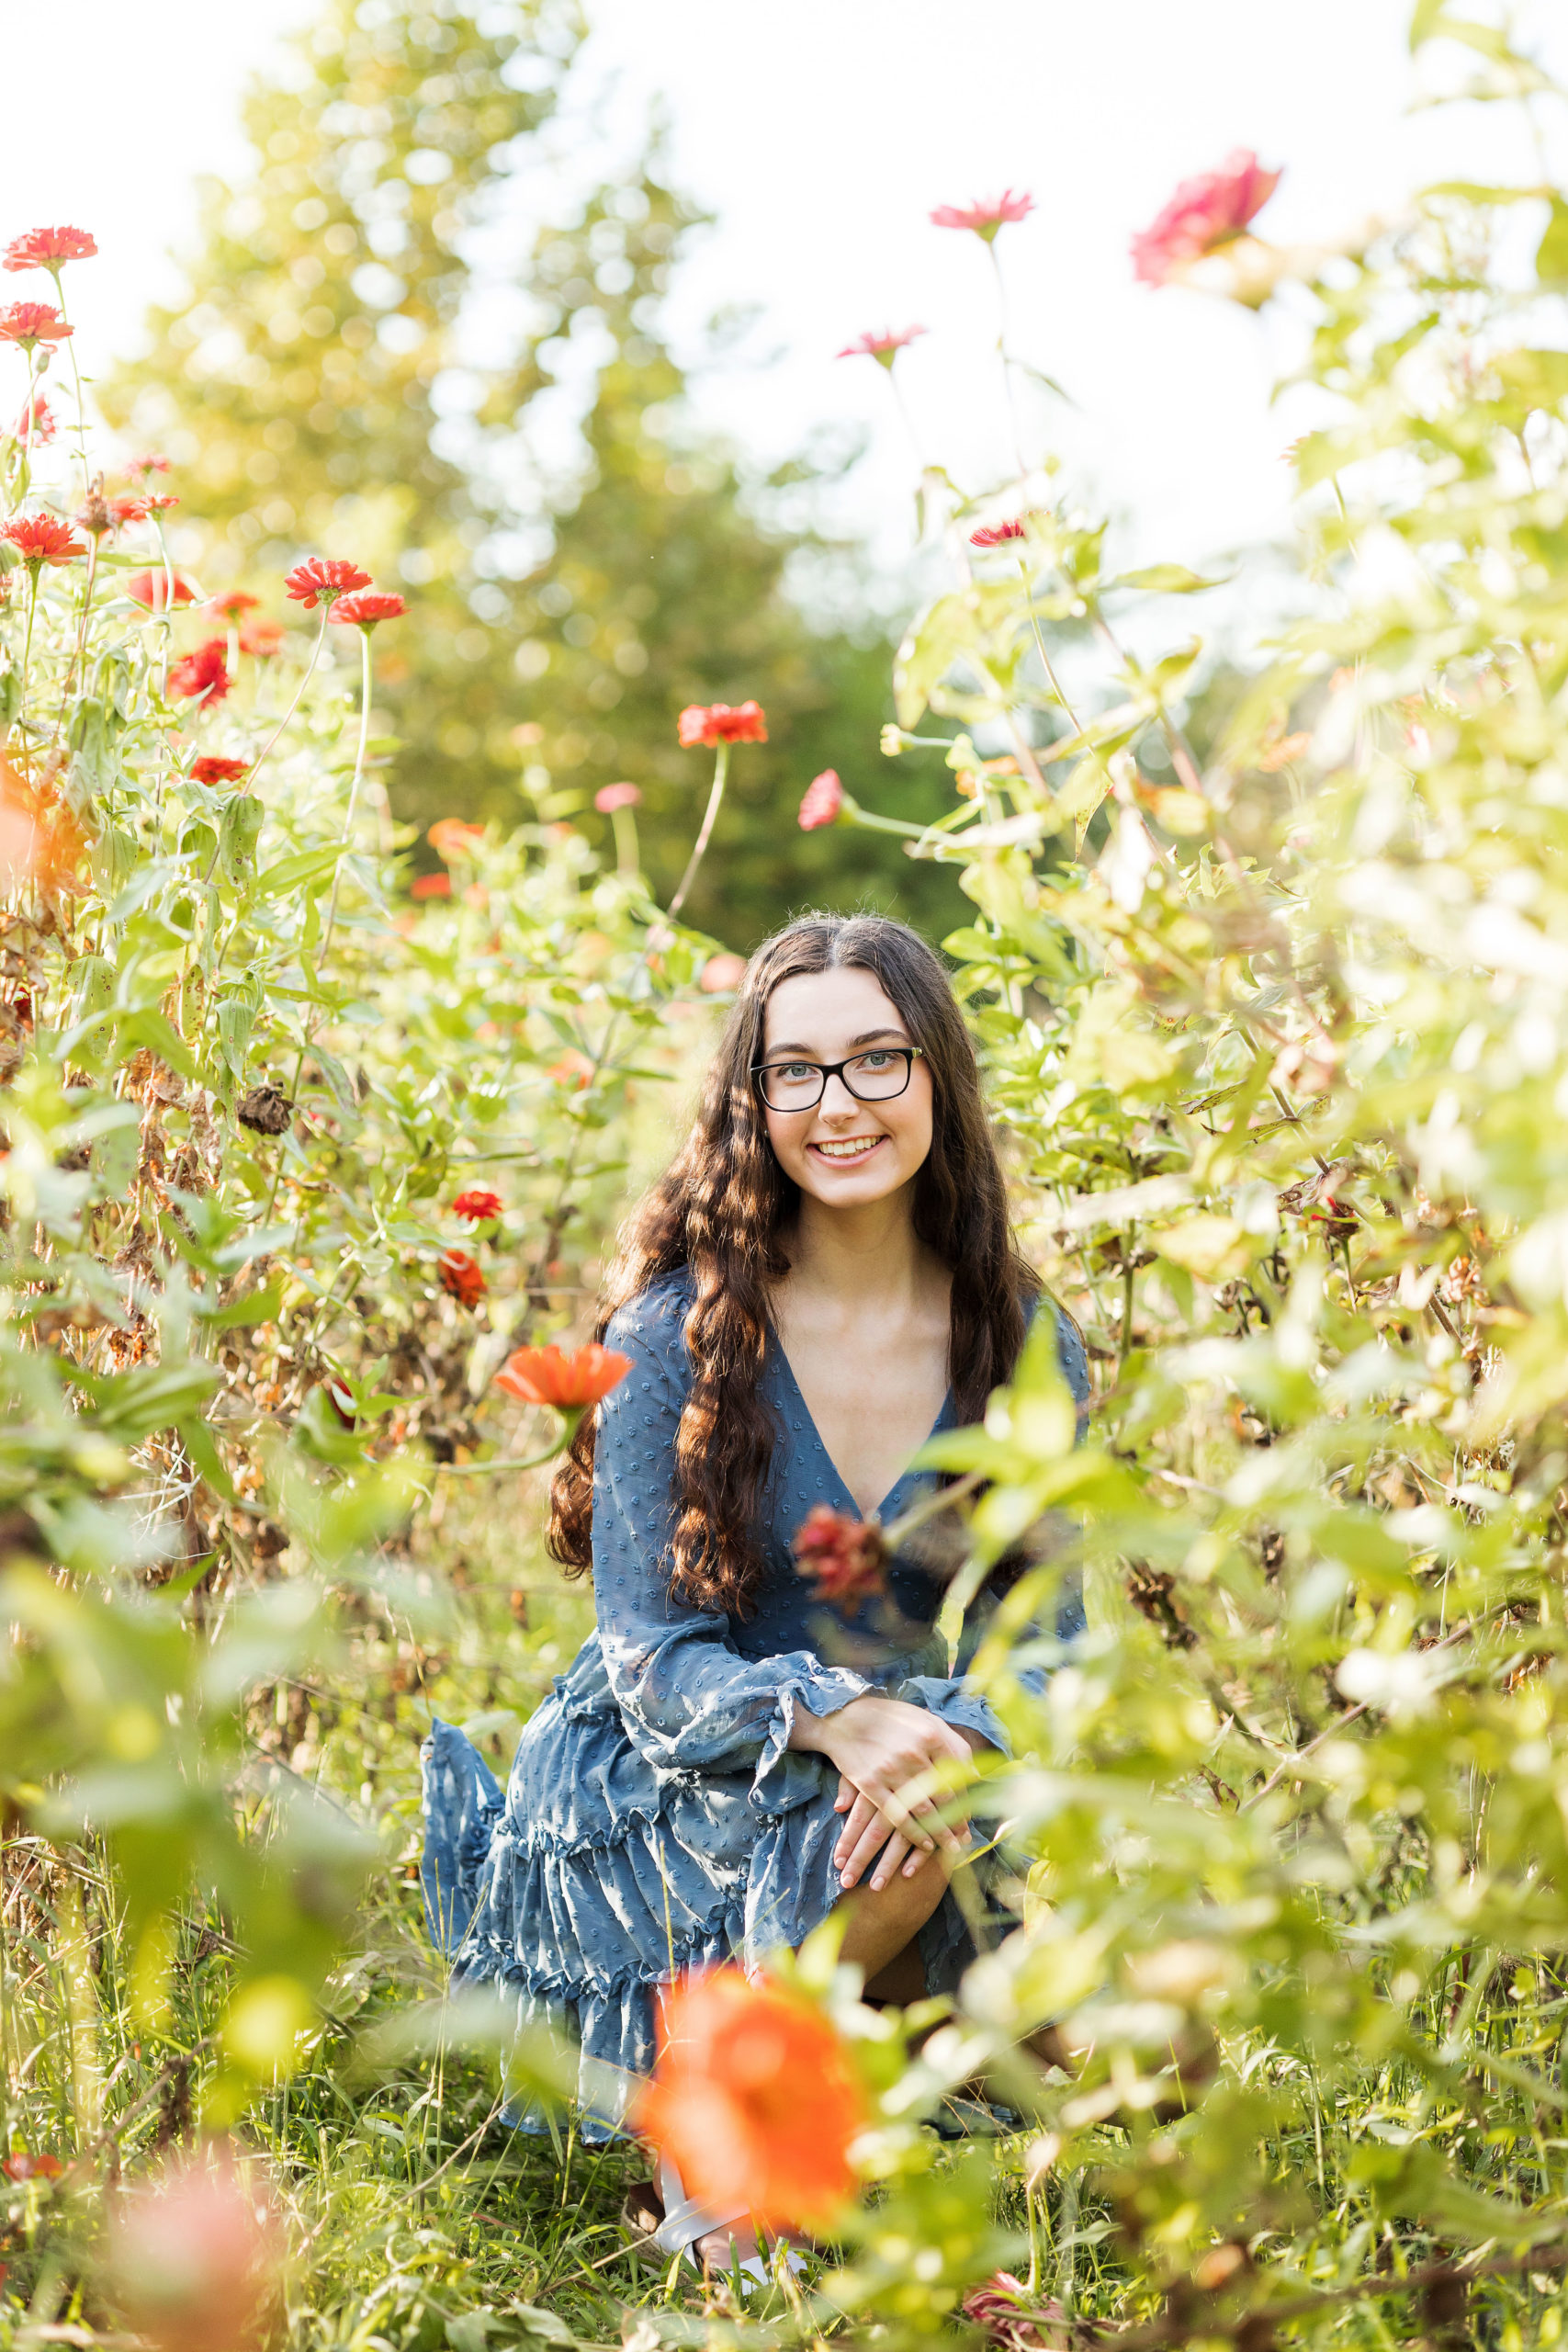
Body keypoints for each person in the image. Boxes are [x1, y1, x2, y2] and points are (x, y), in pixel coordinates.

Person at [420, 913, 1089, 2274]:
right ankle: (722, 2187)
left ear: (936, 1077)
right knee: (906, 1845)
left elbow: (1057, 1649)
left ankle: (811, 2069)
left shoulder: (1019, 1337)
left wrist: (956, 1734)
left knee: (1083, 1996)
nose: (836, 1106)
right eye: (797, 1072)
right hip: (670, 1765)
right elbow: (650, 1659)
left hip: (904, 1767)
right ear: (754, 1099)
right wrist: (840, 1718)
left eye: (875, 1061)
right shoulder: (675, 1330)